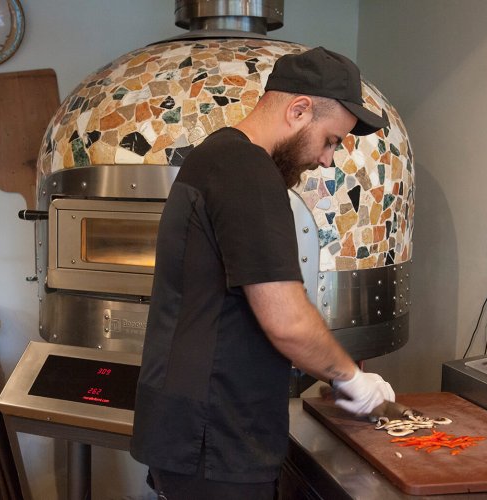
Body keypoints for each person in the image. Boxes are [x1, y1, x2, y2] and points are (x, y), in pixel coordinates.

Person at [130, 46, 395, 499]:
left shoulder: (216, 156)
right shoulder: (247, 172)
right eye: (330, 139)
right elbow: (287, 320)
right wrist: (352, 378)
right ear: (298, 110)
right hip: (215, 438)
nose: (327, 160)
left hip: (193, 430)